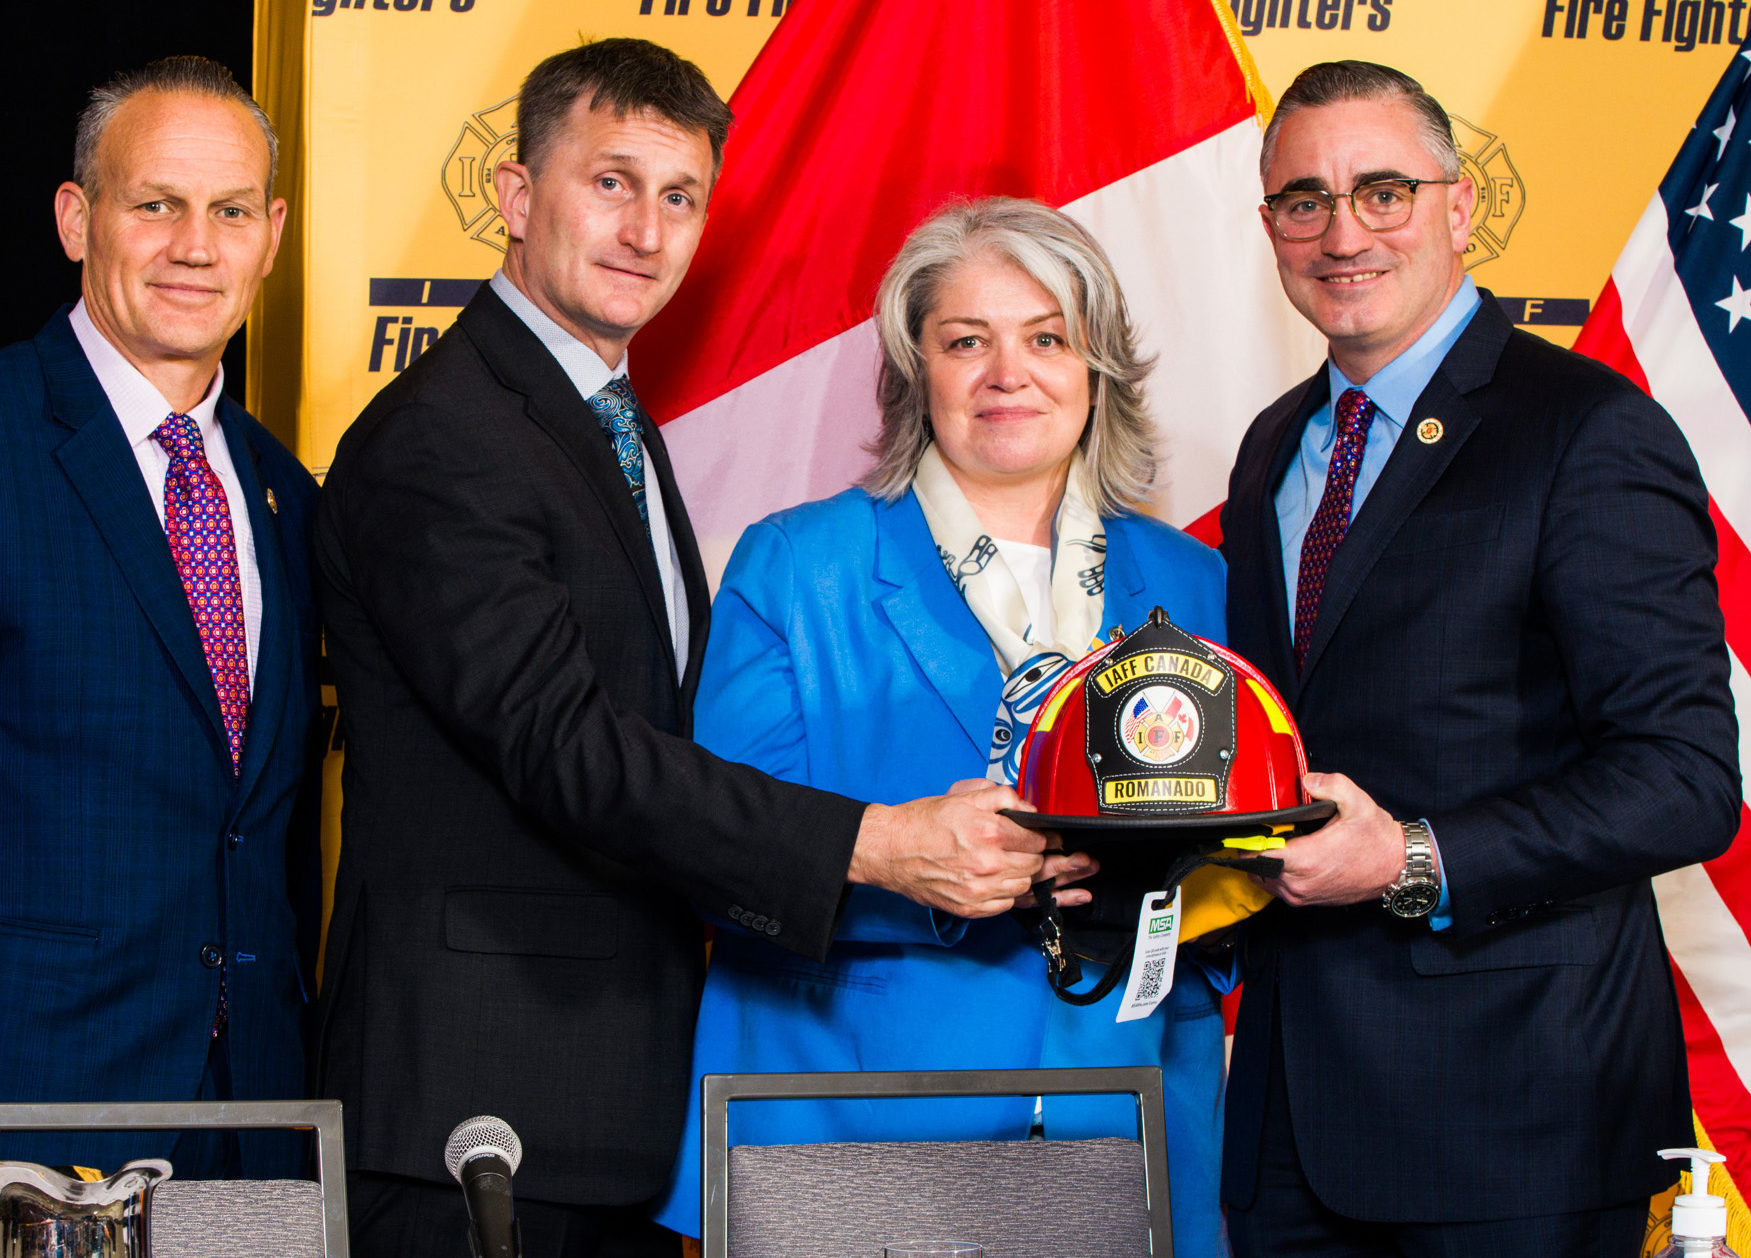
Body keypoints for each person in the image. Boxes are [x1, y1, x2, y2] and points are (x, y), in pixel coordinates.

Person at [312, 40, 1048, 1258]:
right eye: (610, 182)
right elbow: (567, 749)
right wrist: (874, 842)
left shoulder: (602, 416)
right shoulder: (443, 437)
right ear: (514, 194)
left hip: (608, 1104)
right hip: (473, 1116)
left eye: (680, 196)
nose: (645, 232)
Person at [1217, 60, 1739, 1256]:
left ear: (1459, 208)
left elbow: (1684, 780)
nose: (1343, 233)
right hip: (1287, 1123)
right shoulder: (1270, 449)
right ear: (1272, 227)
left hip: (1517, 1121)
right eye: (1304, 200)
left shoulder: (1590, 430)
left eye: (1383, 191)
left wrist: (1409, 856)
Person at [647, 197, 1230, 1254]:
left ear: (1097, 367)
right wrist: (910, 862)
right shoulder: (798, 565)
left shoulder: (1193, 580)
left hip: (1127, 1106)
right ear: (916, 371)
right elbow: (725, 853)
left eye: (1047, 338)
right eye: (967, 341)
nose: (1009, 373)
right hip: (851, 1110)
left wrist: (1173, 886)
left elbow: (1240, 858)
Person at [0, 56, 321, 1181]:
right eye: (156, 204)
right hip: (16, 1119)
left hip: (252, 1118)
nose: (195, 246)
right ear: (77, 220)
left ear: (270, 237)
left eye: (229, 212)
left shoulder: (283, 489)